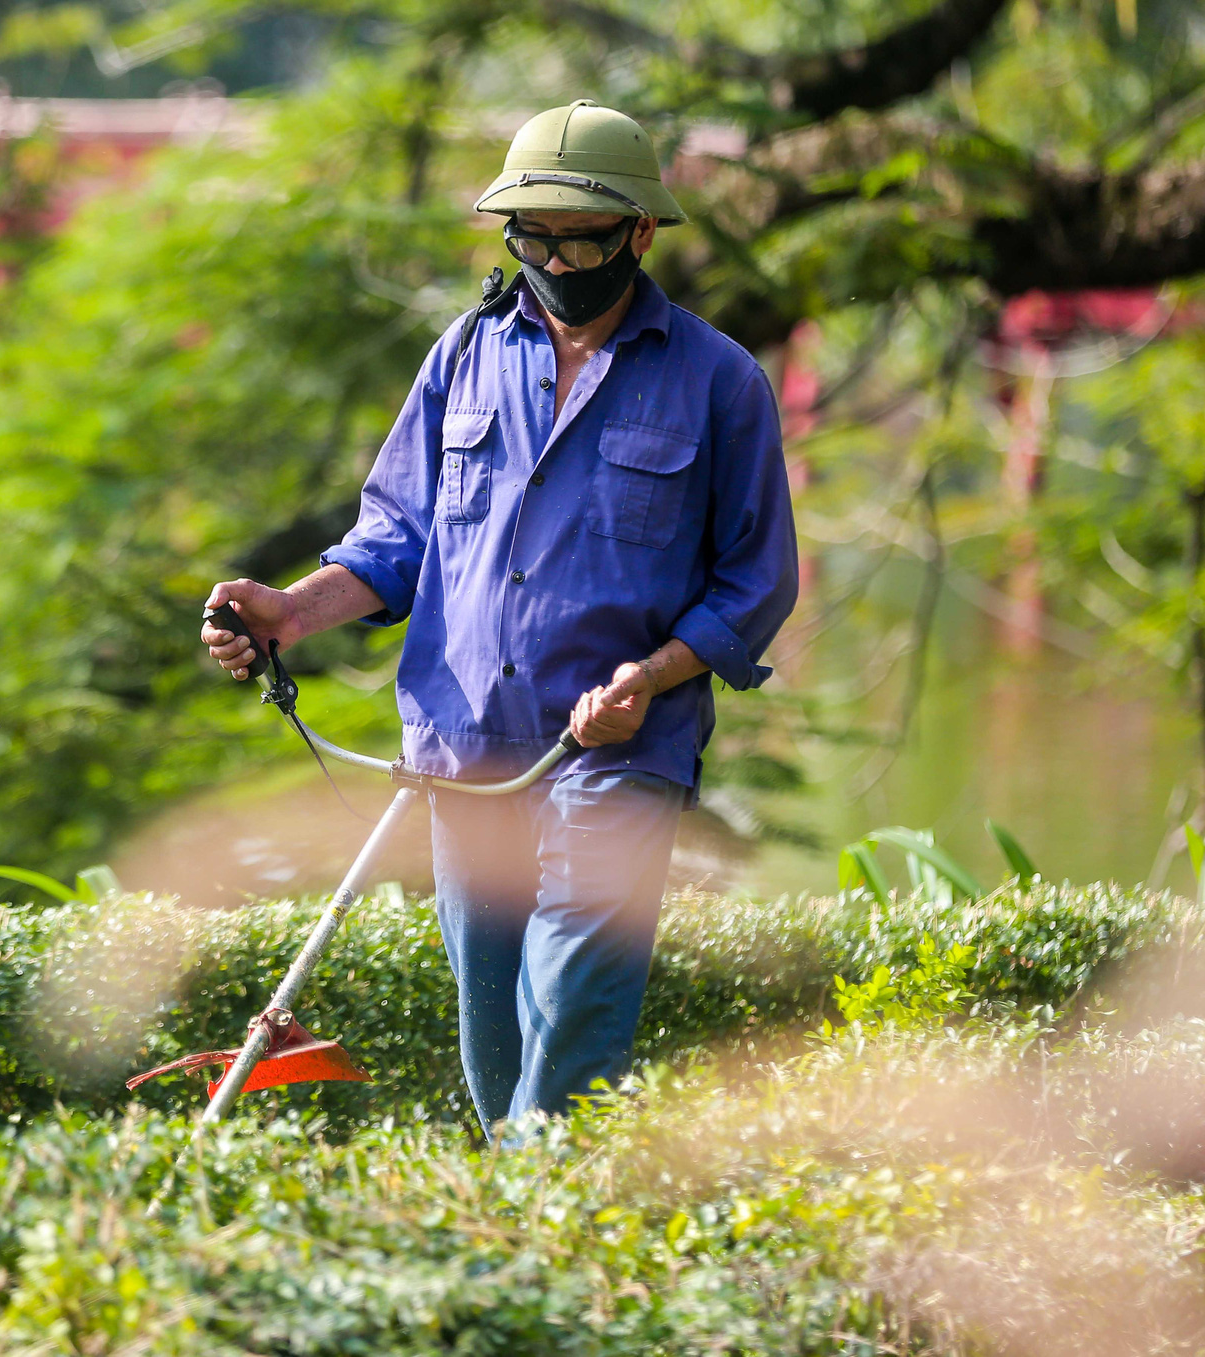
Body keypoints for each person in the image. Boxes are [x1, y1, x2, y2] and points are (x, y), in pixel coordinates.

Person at [202, 100, 798, 1134]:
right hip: (461, 743)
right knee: (494, 1033)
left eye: (585, 238)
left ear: (640, 234)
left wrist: (649, 680)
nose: (560, 262)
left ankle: (537, 1223)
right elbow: (393, 537)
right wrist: (287, 611)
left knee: (573, 1004)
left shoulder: (718, 382)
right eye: (536, 238)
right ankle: (526, 1232)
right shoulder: (463, 356)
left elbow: (755, 582)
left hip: (613, 750)